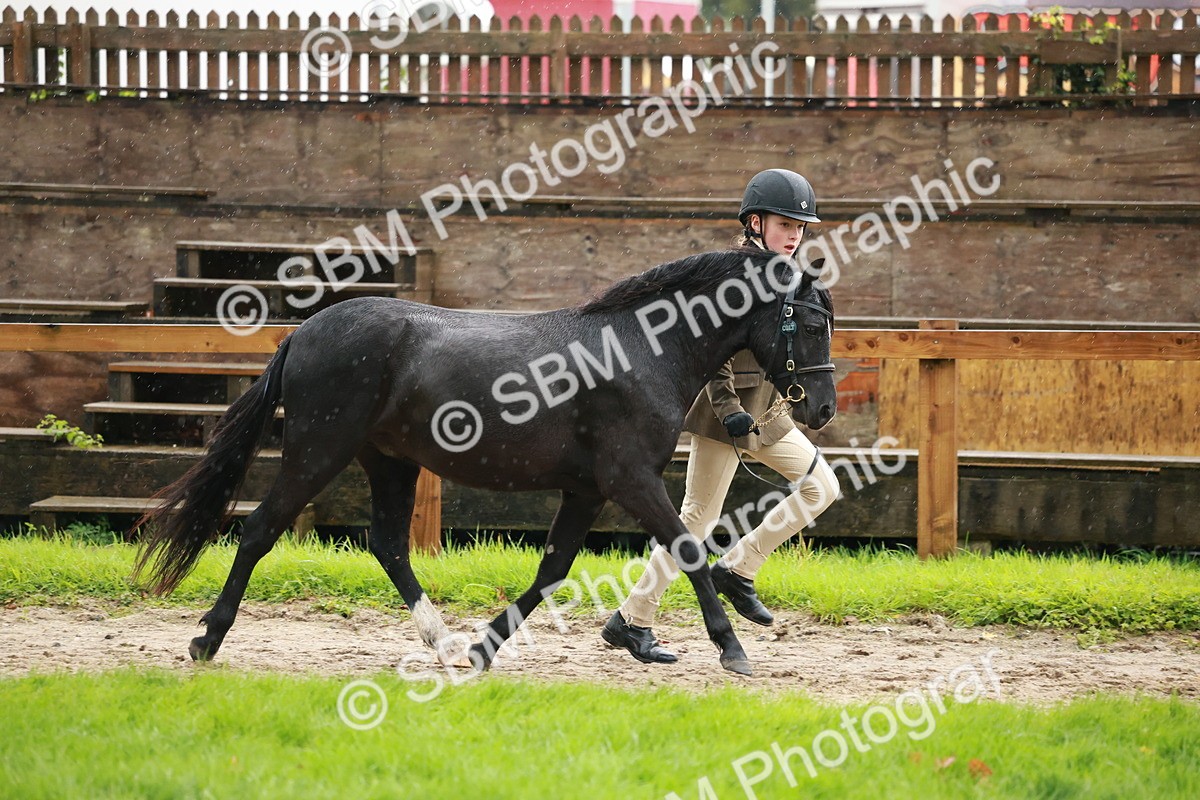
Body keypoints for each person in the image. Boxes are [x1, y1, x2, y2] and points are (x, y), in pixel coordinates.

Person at [601, 169, 841, 664]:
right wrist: (729, 409)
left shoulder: (790, 277)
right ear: (755, 222)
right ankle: (633, 619)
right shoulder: (732, 276)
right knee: (697, 518)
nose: (795, 235)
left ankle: (737, 568)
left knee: (824, 488)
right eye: (785, 224)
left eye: (801, 227)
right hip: (723, 417)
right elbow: (709, 353)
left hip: (769, 416)